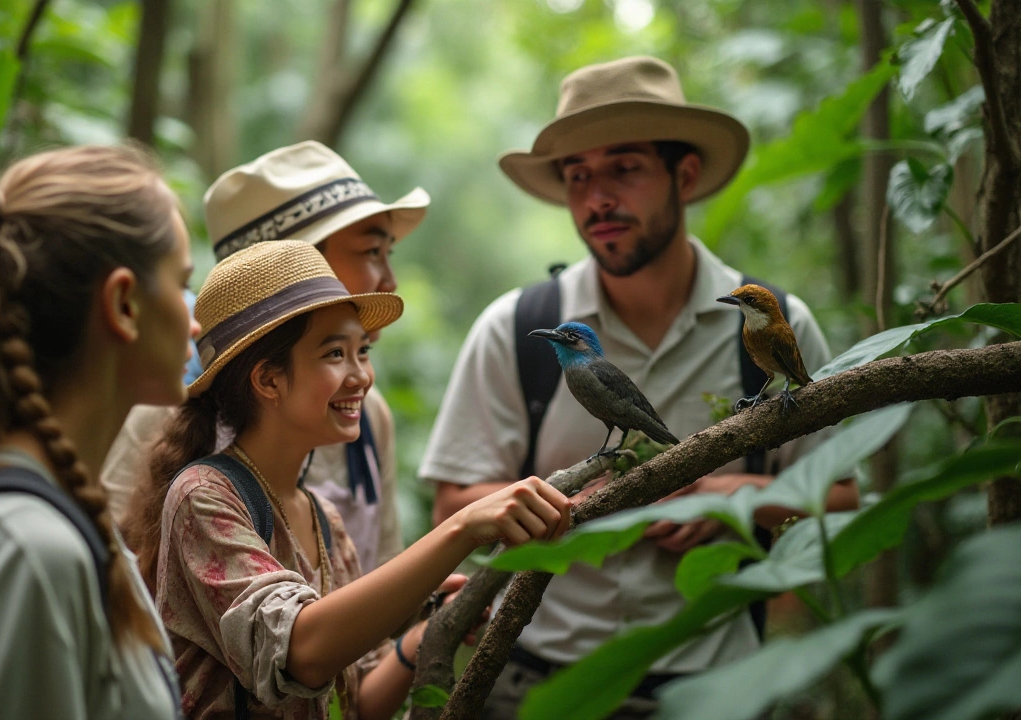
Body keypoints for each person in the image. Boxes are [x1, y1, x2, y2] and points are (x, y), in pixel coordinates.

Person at [419, 56, 860, 719]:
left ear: (684, 175)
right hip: (540, 686)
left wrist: (719, 497)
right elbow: (455, 498)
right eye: (578, 176)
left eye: (624, 169)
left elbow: (844, 498)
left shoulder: (776, 324)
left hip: (723, 689)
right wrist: (586, 499)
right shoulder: (515, 329)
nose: (597, 198)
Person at [123, 240, 571, 720]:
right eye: (335, 353)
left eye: (363, 351)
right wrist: (462, 528)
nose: (361, 376)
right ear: (268, 380)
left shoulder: (325, 520)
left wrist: (425, 634)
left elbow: (353, 704)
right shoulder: (203, 498)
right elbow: (300, 651)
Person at [0, 145, 196, 719]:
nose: (194, 318)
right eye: (182, 284)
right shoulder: (25, 549)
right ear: (124, 303)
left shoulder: (65, 519)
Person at [104, 140, 428, 572]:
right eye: (371, 252)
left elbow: (381, 574)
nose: (389, 279)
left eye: (389, 254)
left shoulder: (367, 416)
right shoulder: (167, 408)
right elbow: (114, 568)